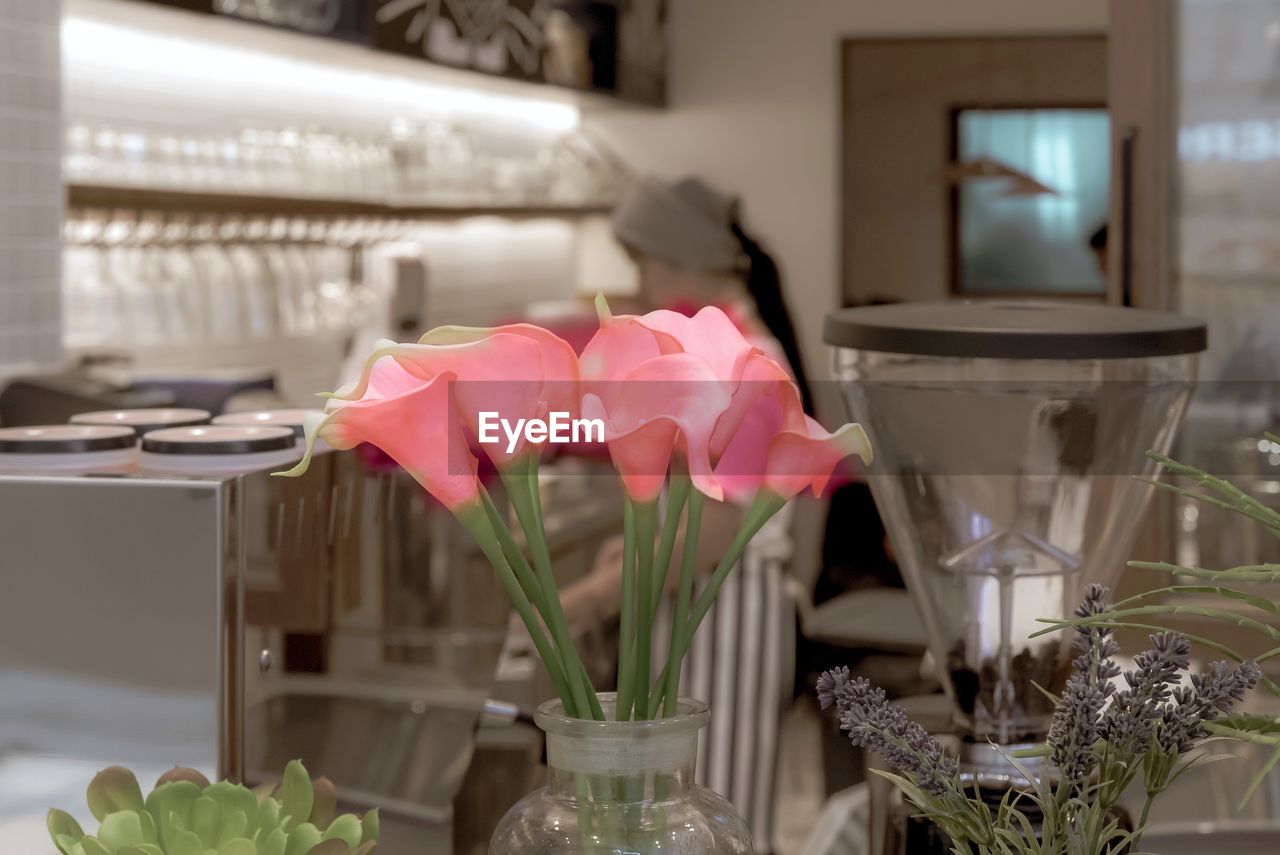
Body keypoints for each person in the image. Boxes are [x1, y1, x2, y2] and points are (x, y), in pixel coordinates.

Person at [560, 175, 813, 853]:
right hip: (696, 608)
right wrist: (630, 546)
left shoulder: (747, 364)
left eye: (644, 262)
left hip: (730, 614)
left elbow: (720, 532)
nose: (640, 283)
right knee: (674, 818)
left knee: (711, 820)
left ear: (676, 262)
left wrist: (587, 600)